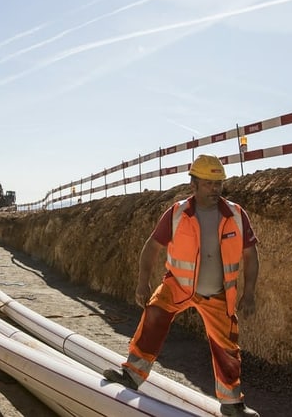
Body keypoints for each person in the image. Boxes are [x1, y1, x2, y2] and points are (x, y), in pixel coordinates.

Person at [103, 154, 261, 417]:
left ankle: (232, 404)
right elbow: (152, 247)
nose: (215, 189)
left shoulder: (236, 214)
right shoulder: (177, 213)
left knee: (227, 348)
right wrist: (143, 283)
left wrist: (250, 292)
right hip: (178, 285)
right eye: (209, 184)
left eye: (218, 183)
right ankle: (131, 375)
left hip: (218, 293)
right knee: (153, 315)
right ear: (194, 185)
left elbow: (251, 254)